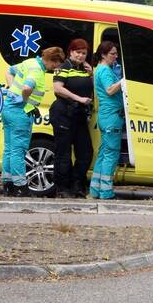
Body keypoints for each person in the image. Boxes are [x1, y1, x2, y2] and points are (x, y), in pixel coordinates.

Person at [1, 46, 65, 196]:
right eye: (56, 64)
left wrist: (12, 90)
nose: (56, 67)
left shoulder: (29, 62)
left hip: (8, 109)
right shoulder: (37, 71)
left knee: (9, 149)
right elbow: (26, 87)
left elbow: (9, 71)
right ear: (51, 60)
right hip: (21, 113)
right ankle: (21, 187)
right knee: (18, 150)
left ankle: (8, 184)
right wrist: (25, 101)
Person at [50, 39, 94, 198]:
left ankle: (77, 184)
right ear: (71, 52)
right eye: (78, 52)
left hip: (80, 115)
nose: (81, 56)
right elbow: (58, 89)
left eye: (84, 53)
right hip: (63, 112)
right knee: (63, 153)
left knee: (86, 152)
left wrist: (92, 74)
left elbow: (93, 89)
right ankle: (62, 188)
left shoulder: (85, 69)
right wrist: (78, 99)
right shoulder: (64, 67)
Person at [90, 41, 124, 200]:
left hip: (106, 116)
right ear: (103, 55)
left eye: (116, 53)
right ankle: (106, 192)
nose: (116, 57)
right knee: (111, 154)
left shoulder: (102, 69)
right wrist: (124, 80)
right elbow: (110, 90)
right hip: (111, 116)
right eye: (113, 54)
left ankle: (95, 190)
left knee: (104, 153)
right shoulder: (104, 70)